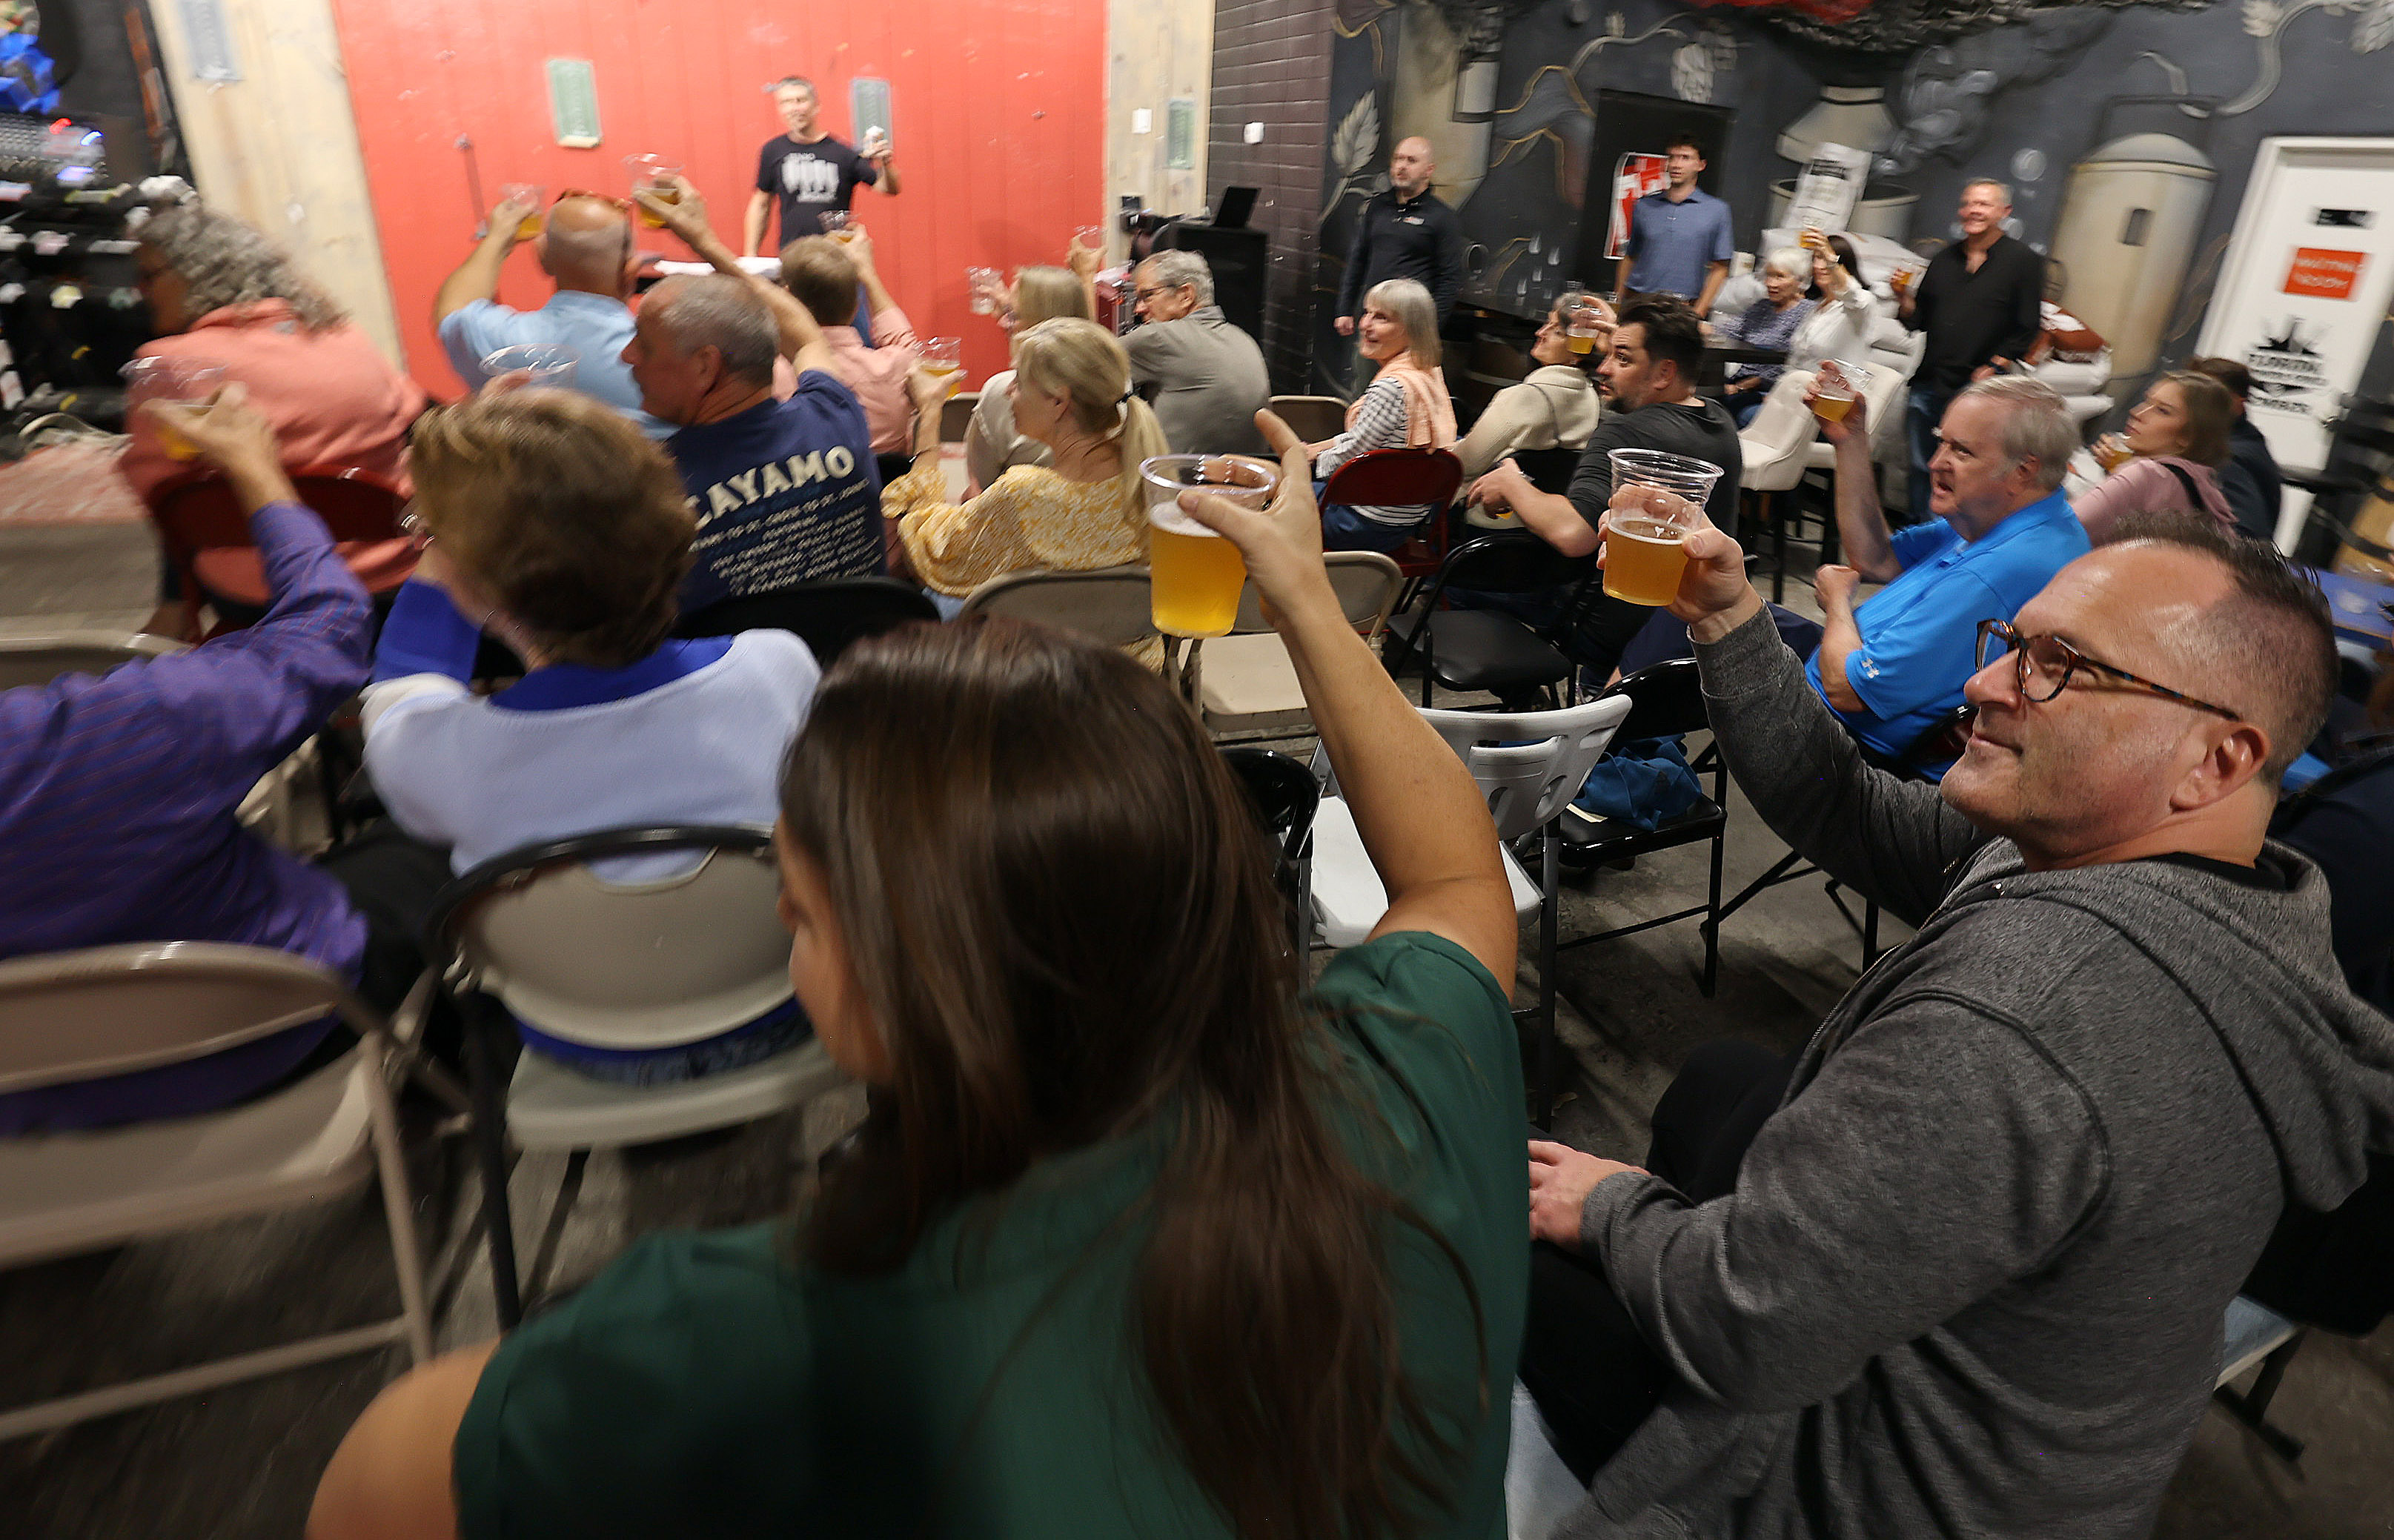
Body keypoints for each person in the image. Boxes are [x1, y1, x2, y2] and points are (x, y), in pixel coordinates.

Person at [309, 411, 1533, 1540]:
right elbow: (1451, 876)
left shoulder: (744, 1338)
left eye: (801, 913)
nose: (784, 925)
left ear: (900, 983)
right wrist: (1305, 594)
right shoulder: (1407, 1082)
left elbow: (375, 1484)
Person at [1519, 491, 2394, 1539]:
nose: (1980, 684)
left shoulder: (2023, 1018)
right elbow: (1844, 804)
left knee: (1458, 1225)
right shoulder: (2219, 882)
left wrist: (1615, 1209)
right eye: (2011, 643)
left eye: (2057, 665)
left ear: (2216, 758)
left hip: (1866, 1486)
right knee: (1718, 1082)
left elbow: (1747, 1328)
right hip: (2037, 1426)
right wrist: (1724, 614)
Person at [0, 388, 448, 1134]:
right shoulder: (105, 736)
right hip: (263, 1040)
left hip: (22, 1108)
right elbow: (329, 628)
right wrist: (253, 467)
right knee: (430, 831)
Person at [359, 388, 820, 1083]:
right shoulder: (779, 666)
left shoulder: (441, 754)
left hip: (578, 1039)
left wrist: (445, 545)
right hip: (780, 1001)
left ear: (475, 582)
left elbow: (401, 686)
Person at [123, 202, 428, 635]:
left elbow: (152, 489)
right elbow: (413, 412)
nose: (139, 290)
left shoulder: (164, 365)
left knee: (191, 489)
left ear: (195, 273)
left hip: (258, 589)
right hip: (394, 571)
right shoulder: (346, 336)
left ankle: (173, 614)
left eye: (148, 275)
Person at [1806, 372, 2091, 770]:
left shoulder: (2002, 568)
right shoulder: (2019, 516)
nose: (1935, 462)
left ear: (2023, 471)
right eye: (1942, 442)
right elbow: (1876, 559)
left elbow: (1847, 690)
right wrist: (1850, 441)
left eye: (1962, 451)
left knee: (1725, 624)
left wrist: (1837, 601)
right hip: (1840, 677)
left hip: (1848, 745)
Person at [629, 181, 883, 615]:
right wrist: (705, 242)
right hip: (865, 653)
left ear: (706, 367)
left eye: (645, 345)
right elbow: (804, 334)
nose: (627, 355)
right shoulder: (834, 414)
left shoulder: (649, 488)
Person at [1466, 298, 1740, 671]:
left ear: (1664, 373)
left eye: (1622, 359)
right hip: (1686, 635)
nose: (1603, 368)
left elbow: (1574, 534)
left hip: (1606, 634)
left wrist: (1510, 482)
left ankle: (1537, 699)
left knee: (1460, 585)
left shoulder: (1625, 432)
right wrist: (1623, 338)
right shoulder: (1719, 420)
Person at [884, 317, 1163, 601]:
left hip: (1031, 631)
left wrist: (930, 412)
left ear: (1058, 401)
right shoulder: (1148, 484)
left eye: (1018, 381)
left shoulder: (1023, 496)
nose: (1008, 391)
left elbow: (930, 549)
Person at [431, 189, 662, 433]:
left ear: (542, 259)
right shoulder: (665, 360)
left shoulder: (503, 346)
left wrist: (498, 237)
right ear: (631, 272)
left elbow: (452, 307)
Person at [1899, 179, 2044, 520]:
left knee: (1964, 475)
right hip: (1929, 381)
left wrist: (1995, 365)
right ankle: (1920, 536)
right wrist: (1902, 297)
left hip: (1980, 389)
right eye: (1967, 204)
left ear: (2004, 212)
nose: (1973, 211)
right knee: (1922, 466)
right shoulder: (1944, 259)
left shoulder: (2022, 261)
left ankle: (1953, 542)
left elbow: (2028, 325)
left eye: (1983, 204)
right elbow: (1918, 320)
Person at [1308, 277, 1457, 553]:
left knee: (1273, 493)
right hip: (1401, 525)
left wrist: (1301, 465)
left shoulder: (1391, 388)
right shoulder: (1429, 373)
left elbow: (1353, 453)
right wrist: (1317, 449)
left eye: (1382, 318)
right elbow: (1370, 438)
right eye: (1367, 313)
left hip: (1358, 524)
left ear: (1413, 330)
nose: (1365, 324)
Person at [1333, 136, 1465, 394]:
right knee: (1364, 391)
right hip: (1373, 323)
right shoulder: (1377, 207)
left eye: (1411, 160)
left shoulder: (1442, 217)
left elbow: (1450, 279)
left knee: (1403, 394)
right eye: (1398, 159)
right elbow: (1358, 259)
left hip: (1410, 330)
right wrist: (1345, 309)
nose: (1401, 166)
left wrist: (1428, 329)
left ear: (1429, 170)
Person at [778, 226, 919, 466]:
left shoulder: (772, 380)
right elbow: (906, 345)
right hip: (888, 490)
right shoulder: (898, 368)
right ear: (856, 307)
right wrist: (868, 275)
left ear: (787, 299)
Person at [1123, 248, 1270, 457]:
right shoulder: (1245, 339)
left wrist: (1085, 276)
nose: (1139, 309)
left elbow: (1082, 359)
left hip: (1177, 476)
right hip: (1244, 475)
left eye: (1148, 296)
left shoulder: (1160, 337)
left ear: (1186, 295)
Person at [966, 262, 1095, 492]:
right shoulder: (1114, 385)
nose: (1001, 322)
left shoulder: (1003, 391)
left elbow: (979, 487)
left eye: (1012, 315)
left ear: (1042, 325)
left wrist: (930, 415)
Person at [2075, 371, 2238, 545]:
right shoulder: (2204, 486)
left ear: (2189, 436)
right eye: (2147, 401)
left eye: (2162, 411)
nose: (2137, 413)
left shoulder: (2146, 474)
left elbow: (2061, 527)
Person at [743, 75, 901, 256]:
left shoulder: (843, 152)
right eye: (786, 102)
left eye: (801, 100)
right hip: (793, 258)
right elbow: (761, 205)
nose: (795, 108)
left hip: (837, 259)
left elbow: (889, 188)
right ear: (780, 109)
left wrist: (886, 164)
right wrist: (750, 257)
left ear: (816, 105)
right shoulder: (773, 150)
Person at [1452, 297, 1602, 482]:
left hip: (1484, 497)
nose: (1540, 333)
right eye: (1547, 323)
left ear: (1580, 351)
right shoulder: (1591, 397)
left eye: (1557, 332)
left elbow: (1463, 466)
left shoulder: (1521, 397)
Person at [1618, 136, 1732, 319]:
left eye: (1685, 158)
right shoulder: (1644, 205)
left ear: (1701, 165)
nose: (1676, 164)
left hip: (1682, 307)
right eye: (1672, 157)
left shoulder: (1717, 210)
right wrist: (1618, 302)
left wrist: (1699, 311)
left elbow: (1721, 267)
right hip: (1638, 301)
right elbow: (1630, 257)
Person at [2189, 355, 2284, 542]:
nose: (2195, 405)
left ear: (2238, 404)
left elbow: (2244, 537)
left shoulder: (2228, 458)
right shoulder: (2232, 442)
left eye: (2208, 397)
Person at [1714, 248, 1814, 428]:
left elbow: (1794, 362)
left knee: (1729, 407)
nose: (1770, 283)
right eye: (1768, 276)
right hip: (1741, 382)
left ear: (1800, 280)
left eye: (1779, 277)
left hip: (1773, 389)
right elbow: (1727, 331)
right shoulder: (1762, 306)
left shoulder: (1807, 312)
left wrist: (1741, 387)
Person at [1787, 230, 1875, 375]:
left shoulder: (1862, 302)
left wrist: (1831, 260)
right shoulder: (1818, 306)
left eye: (1824, 259)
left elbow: (1852, 295)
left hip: (1834, 386)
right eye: (1816, 258)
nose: (1819, 266)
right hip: (1799, 383)